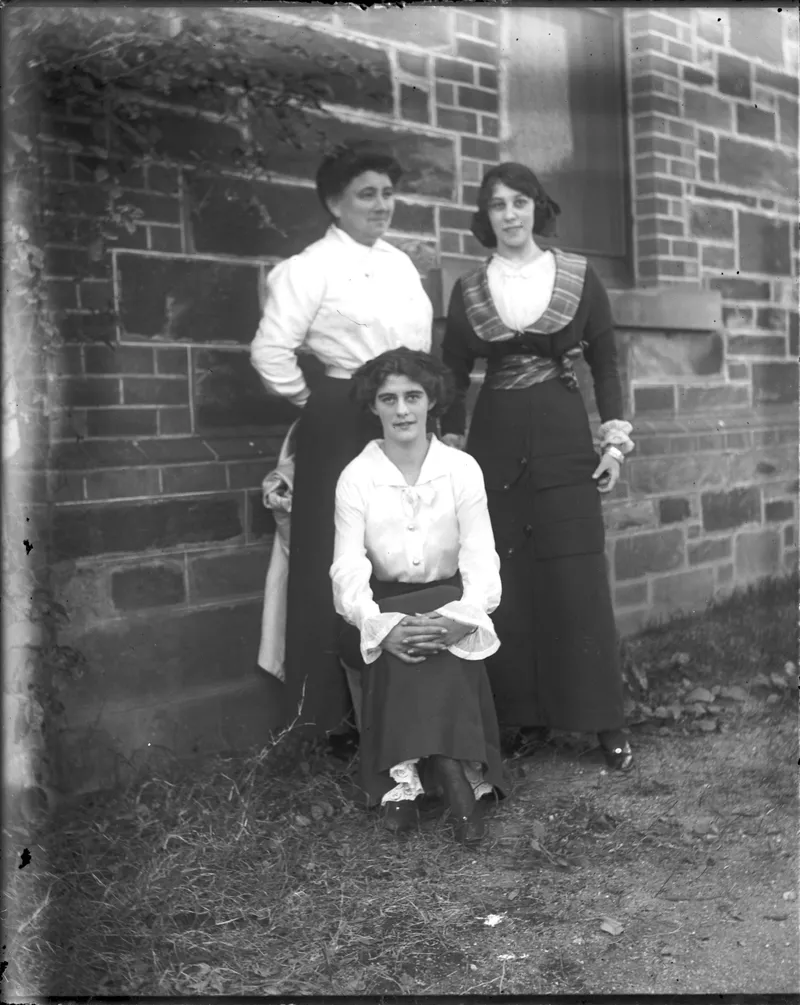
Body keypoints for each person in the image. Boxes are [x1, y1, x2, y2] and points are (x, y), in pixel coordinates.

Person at [439, 162, 635, 771]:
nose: (510, 215)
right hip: (494, 440)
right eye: (498, 205)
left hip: (562, 433)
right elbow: (451, 371)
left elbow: (606, 361)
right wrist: (448, 442)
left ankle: (602, 719)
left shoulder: (576, 274)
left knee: (576, 575)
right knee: (505, 577)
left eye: (520, 202)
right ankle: (522, 718)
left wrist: (613, 443)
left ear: (537, 208)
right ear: (486, 215)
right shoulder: (470, 288)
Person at [250, 144, 433, 743]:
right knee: (333, 555)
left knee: (401, 546)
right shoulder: (310, 268)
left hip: (399, 415)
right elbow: (271, 352)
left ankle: (401, 711)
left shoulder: (400, 265)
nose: (381, 205)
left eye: (388, 193)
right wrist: (322, 402)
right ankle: (327, 722)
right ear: (334, 203)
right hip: (340, 421)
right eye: (366, 194)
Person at [331, 348, 506, 843]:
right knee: (404, 623)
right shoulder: (357, 477)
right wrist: (378, 626)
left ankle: (434, 771)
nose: (402, 410)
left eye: (413, 396)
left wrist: (464, 617)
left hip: (448, 599)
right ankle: (433, 775)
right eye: (389, 399)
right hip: (382, 605)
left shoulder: (461, 469)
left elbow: (480, 553)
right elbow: (347, 566)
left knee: (440, 613)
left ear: (432, 401)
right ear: (374, 406)